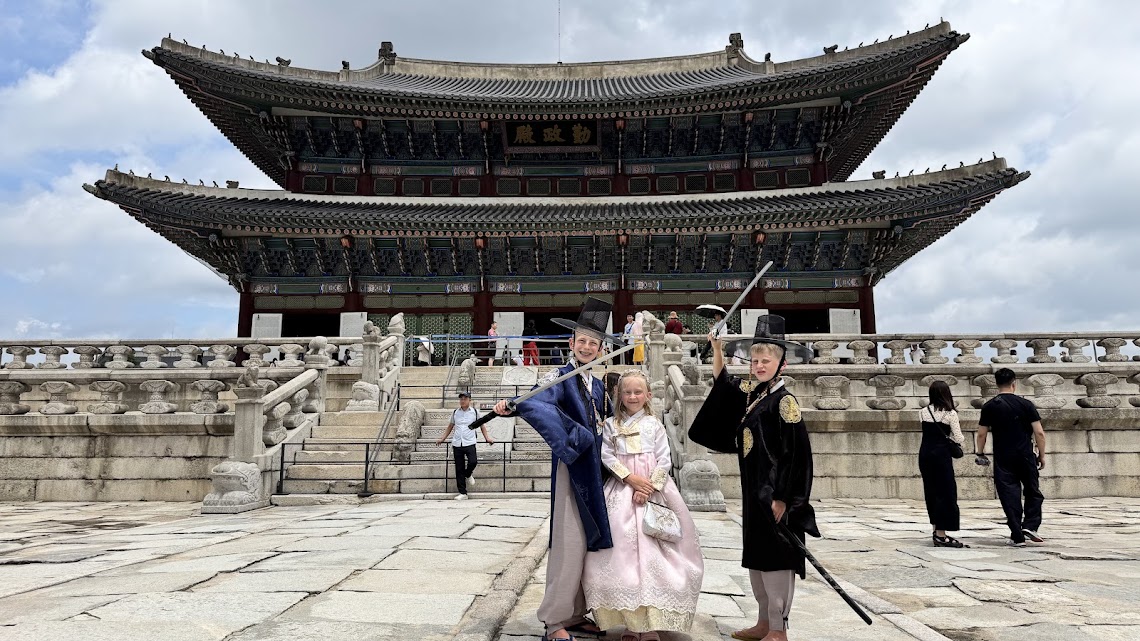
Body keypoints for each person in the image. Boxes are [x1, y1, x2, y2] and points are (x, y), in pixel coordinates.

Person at [492, 297, 618, 641]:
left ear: (602, 349)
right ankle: (554, 620)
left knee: (590, 541)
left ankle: (576, 613)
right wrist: (513, 407)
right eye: (582, 341)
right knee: (569, 540)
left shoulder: (597, 384)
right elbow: (537, 401)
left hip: (597, 469)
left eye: (594, 343)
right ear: (571, 342)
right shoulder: (559, 376)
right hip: (572, 465)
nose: (587, 347)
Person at [688, 315, 818, 641]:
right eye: (755, 360)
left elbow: (796, 455)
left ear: (781, 364)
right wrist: (718, 348)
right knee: (758, 555)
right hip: (754, 491)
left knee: (777, 557)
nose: (759, 366)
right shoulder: (755, 394)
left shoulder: (784, 401)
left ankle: (778, 628)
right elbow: (723, 383)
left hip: (774, 494)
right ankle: (763, 622)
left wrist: (784, 498)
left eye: (766, 361)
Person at [583, 370, 704, 640]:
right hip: (622, 489)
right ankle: (630, 623)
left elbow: (664, 459)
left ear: (648, 395)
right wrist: (631, 479)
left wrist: (649, 487)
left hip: (654, 492)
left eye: (638, 392)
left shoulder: (654, 424)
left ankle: (651, 624)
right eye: (627, 392)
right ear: (619, 395)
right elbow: (607, 456)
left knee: (656, 557)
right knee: (620, 555)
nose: (633, 396)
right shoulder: (611, 425)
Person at [977, 368, 1047, 547]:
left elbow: (982, 434)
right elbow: (1039, 432)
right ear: (1014, 383)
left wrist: (980, 453)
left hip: (1003, 456)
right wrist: (1042, 455)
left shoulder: (990, 406)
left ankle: (1017, 535)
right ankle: (1030, 525)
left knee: (1009, 494)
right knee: (1032, 490)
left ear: (996, 383)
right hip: (1025, 454)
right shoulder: (1026, 404)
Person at [919, 380, 967, 547]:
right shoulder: (950, 414)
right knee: (945, 493)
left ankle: (935, 529)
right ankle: (941, 534)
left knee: (931, 491)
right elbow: (958, 437)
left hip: (925, 454)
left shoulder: (923, 412)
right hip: (941, 456)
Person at [435, 391, 494, 500]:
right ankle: (463, 493)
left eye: (465, 399)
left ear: (469, 400)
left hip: (470, 442)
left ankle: (468, 474)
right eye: (461, 399)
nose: (462, 401)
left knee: (473, 461)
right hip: (457, 443)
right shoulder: (455, 412)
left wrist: (487, 438)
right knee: (459, 468)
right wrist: (442, 439)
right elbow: (450, 426)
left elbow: (482, 426)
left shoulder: (474, 412)